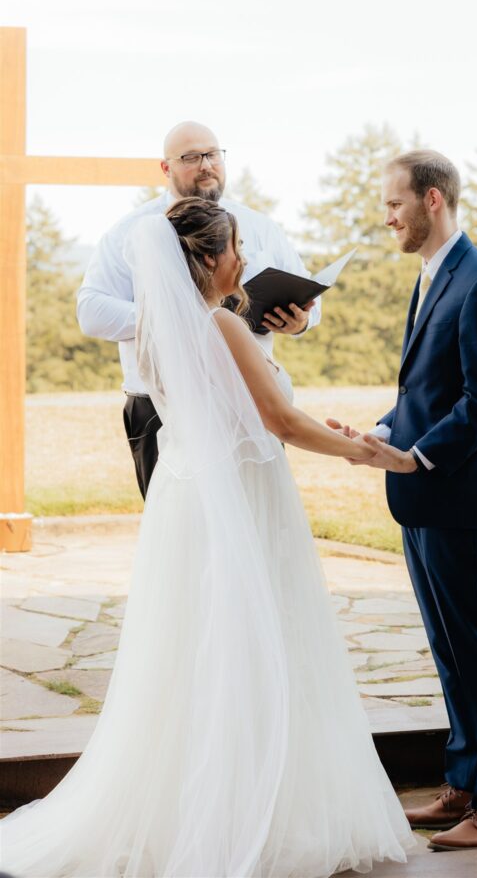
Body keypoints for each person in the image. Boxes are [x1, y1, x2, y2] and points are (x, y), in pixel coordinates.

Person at [0, 198, 413, 878]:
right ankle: (250, 814)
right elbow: (277, 421)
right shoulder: (220, 324)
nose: (244, 259)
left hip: (188, 499)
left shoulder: (158, 335)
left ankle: (196, 812)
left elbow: (233, 414)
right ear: (204, 260)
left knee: (194, 656)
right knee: (256, 648)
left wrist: (327, 432)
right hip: (243, 500)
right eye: (234, 248)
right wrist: (364, 452)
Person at [328, 150, 477, 851]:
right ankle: (465, 784)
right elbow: (428, 390)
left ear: (433, 200)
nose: (386, 217)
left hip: (460, 493)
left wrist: (416, 455)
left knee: (476, 648)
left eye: (395, 204)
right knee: (449, 651)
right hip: (422, 496)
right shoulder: (433, 276)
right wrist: (382, 432)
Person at [77, 120, 320, 499]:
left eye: (212, 154)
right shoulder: (134, 232)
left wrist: (302, 321)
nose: (206, 164)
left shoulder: (260, 227)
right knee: (182, 531)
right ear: (166, 168)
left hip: (251, 402)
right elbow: (90, 310)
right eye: (191, 157)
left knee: (259, 525)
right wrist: (178, 318)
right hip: (163, 407)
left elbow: (311, 299)